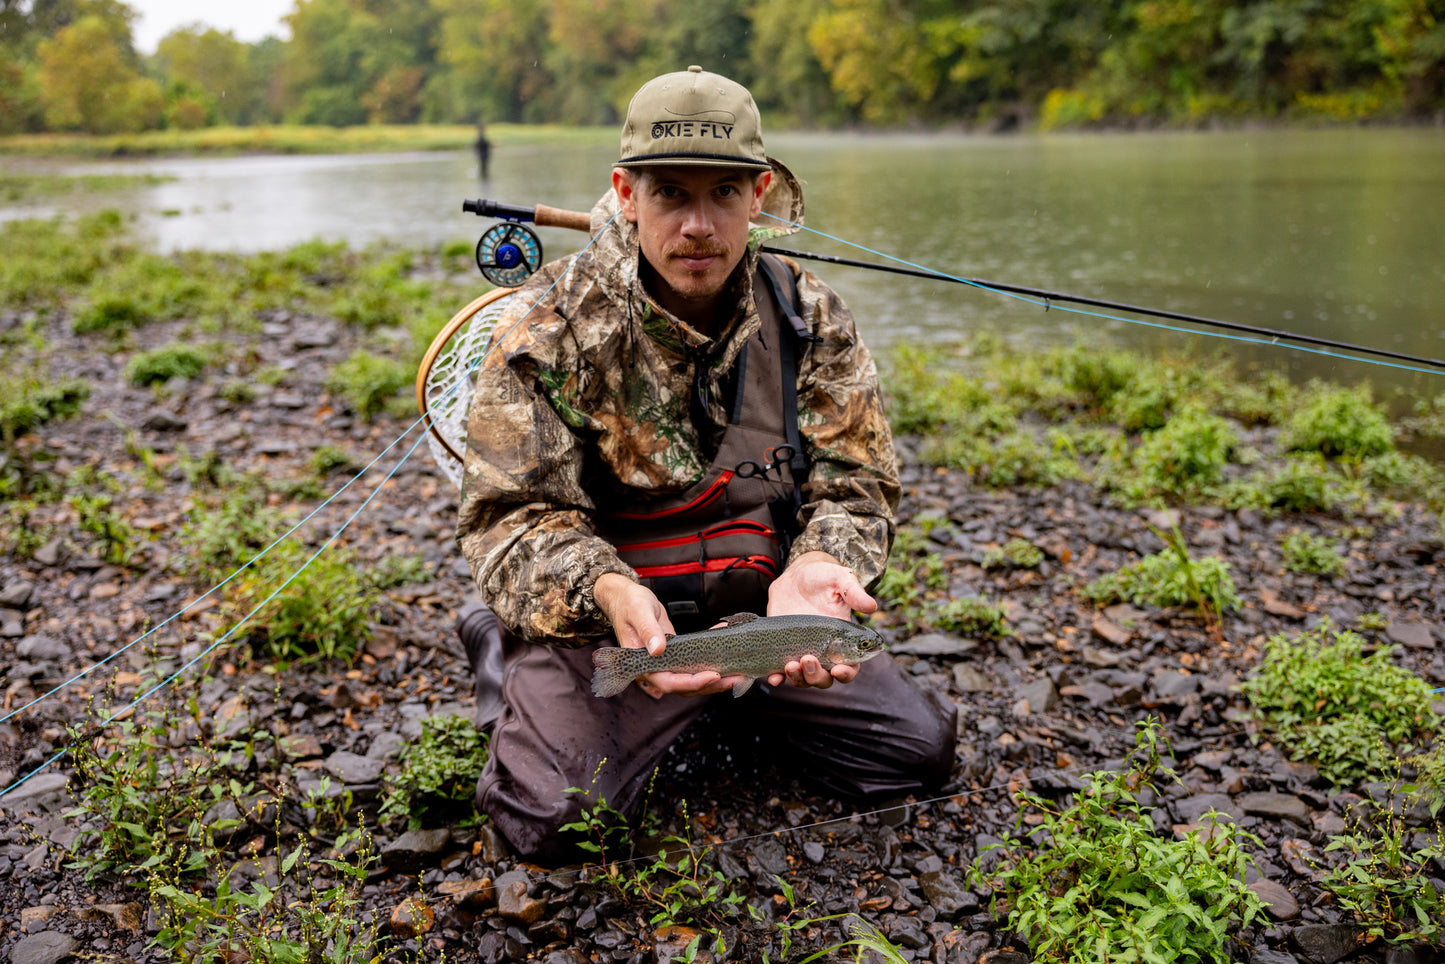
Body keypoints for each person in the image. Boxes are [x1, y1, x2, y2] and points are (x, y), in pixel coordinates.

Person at [454, 66, 956, 863]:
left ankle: (726, 693)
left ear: (757, 195)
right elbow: (509, 520)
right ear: (625, 192)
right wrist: (604, 589)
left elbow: (856, 483)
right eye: (670, 195)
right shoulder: (545, 326)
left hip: (761, 614)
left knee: (915, 757)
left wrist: (822, 563)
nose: (698, 225)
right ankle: (499, 648)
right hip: (612, 620)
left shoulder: (806, 311)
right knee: (550, 822)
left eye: (723, 193)